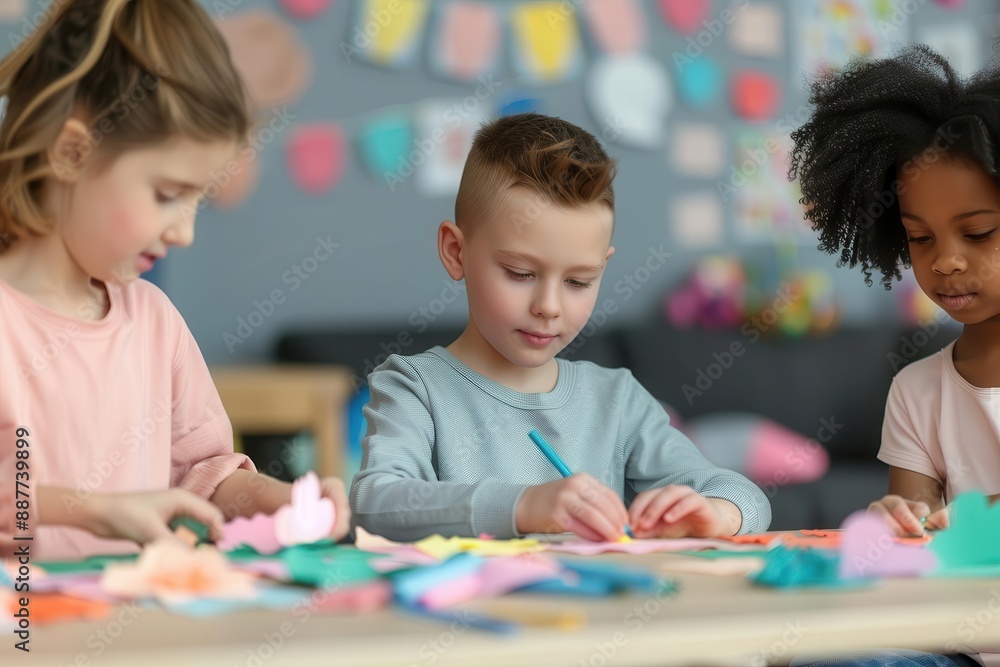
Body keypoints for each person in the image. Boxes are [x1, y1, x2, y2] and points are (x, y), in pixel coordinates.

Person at [0, 0, 350, 561]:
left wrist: (280, 500)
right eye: (167, 194)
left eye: (199, 200)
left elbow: (205, 479)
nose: (185, 231)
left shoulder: (154, 320)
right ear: (71, 153)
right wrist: (93, 510)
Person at [350, 113, 771, 542]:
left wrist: (715, 514)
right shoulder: (414, 388)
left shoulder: (617, 400)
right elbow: (377, 503)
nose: (548, 307)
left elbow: (743, 495)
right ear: (456, 251)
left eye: (577, 282)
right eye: (519, 273)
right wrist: (525, 506)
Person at [789, 44, 998, 666]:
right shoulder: (917, 390)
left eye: (979, 232)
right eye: (920, 238)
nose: (946, 260)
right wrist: (899, 521)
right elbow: (919, 540)